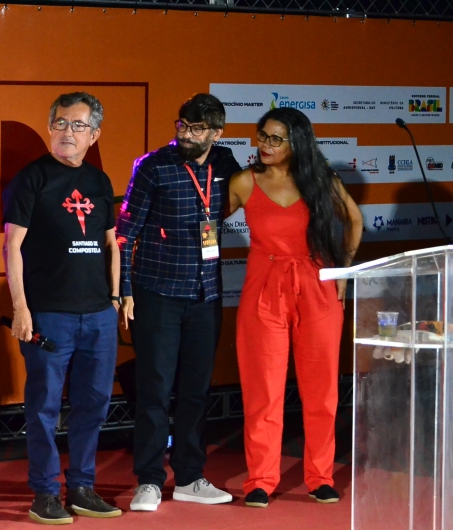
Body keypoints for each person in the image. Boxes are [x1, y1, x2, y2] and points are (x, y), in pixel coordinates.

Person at [228, 107, 362, 508]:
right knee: (263, 392)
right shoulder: (244, 182)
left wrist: (343, 271)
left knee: (321, 392)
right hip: (264, 291)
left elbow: (354, 220)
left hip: (317, 288)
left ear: (297, 142)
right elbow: (204, 220)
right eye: (262, 136)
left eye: (276, 139)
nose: (265, 145)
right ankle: (260, 480)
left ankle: (320, 477)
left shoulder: (321, 181)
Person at [116, 93, 240, 512]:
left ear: (217, 133)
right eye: (182, 125)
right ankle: (149, 480)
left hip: (206, 295)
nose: (186, 134)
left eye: (197, 128)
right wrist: (125, 290)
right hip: (158, 293)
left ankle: (189, 477)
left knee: (196, 392)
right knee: (154, 390)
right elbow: (125, 233)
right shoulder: (154, 166)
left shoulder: (226, 165)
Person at [3, 92, 122, 525]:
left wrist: (115, 299)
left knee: (94, 404)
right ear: (50, 127)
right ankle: (45, 493)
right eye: (60, 123)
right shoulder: (31, 178)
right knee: (44, 408)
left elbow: (111, 244)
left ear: (94, 135)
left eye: (78, 125)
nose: (67, 132)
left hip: (99, 315)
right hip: (48, 315)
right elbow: (12, 247)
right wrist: (21, 308)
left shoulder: (99, 182)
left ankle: (83, 488)